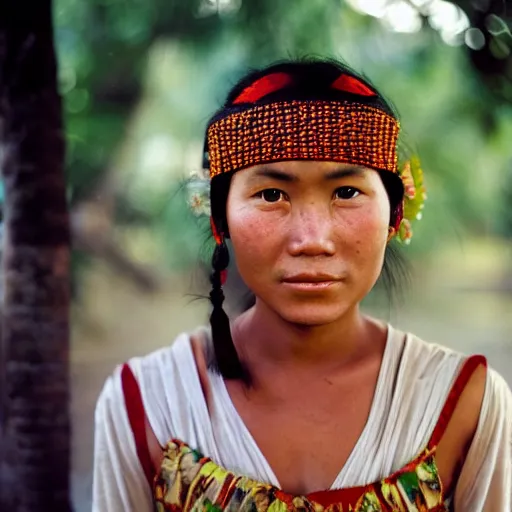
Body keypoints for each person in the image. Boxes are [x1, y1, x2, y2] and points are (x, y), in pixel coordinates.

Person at [92, 59, 512, 511]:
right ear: (219, 219)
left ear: (394, 214)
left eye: (346, 192)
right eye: (272, 194)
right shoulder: (146, 403)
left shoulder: (467, 401)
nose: (312, 240)